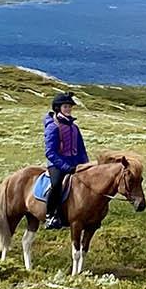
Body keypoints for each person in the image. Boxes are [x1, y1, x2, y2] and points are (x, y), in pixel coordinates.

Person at [41, 91, 90, 229]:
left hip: (74, 164)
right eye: (65, 107)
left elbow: (81, 149)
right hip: (57, 164)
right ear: (58, 108)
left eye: (70, 107)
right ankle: (50, 216)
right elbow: (50, 152)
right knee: (56, 184)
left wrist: (86, 165)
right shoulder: (53, 127)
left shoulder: (74, 128)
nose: (68, 109)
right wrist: (65, 167)